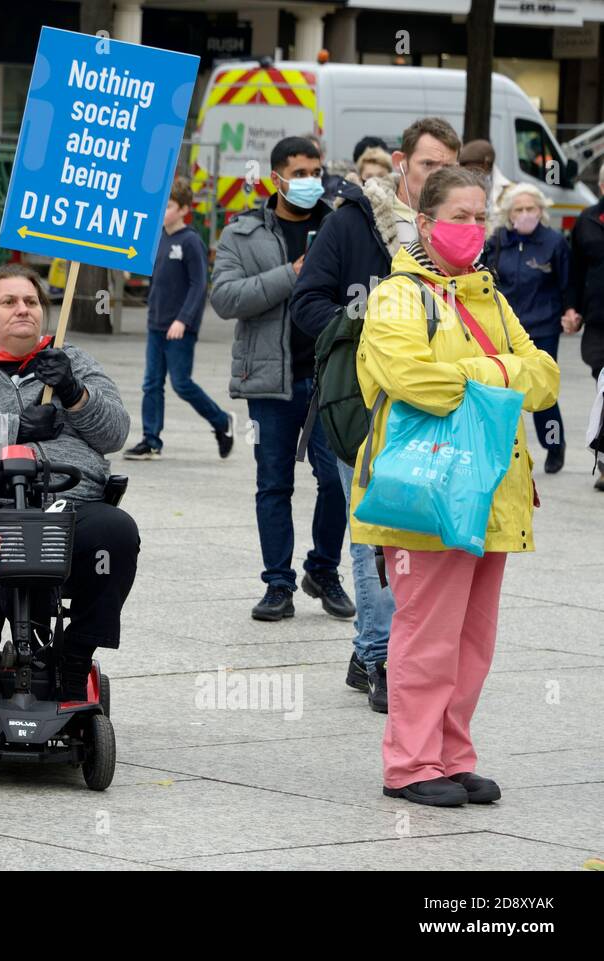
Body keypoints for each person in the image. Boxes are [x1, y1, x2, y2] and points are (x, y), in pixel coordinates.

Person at [352, 165, 559, 806]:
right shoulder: (396, 295)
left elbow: (547, 378)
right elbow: (407, 377)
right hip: (425, 490)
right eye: (460, 216)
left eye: (480, 217)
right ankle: (411, 764)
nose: (473, 228)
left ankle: (451, 754)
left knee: (472, 639)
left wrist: (477, 373)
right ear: (426, 222)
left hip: (491, 491)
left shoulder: (489, 296)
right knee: (427, 634)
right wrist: (502, 372)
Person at [291, 116, 461, 711]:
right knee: (373, 537)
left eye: (447, 166)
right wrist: (369, 334)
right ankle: (385, 659)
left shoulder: (453, 238)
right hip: (358, 406)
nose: (437, 175)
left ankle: (369, 650)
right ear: (401, 163)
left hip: (430, 406)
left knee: (418, 534)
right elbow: (306, 302)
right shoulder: (349, 222)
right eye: (427, 164)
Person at [0, 264, 139, 702]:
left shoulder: (72, 359)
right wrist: (14, 427)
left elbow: (115, 433)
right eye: (9, 302)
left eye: (31, 301)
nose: (23, 309)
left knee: (116, 533)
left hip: (69, 505)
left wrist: (73, 392)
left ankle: (74, 659)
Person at [210, 136, 354, 624]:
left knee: (335, 480)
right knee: (274, 484)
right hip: (272, 382)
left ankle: (324, 570)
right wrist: (293, 273)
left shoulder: (340, 226)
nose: (311, 181)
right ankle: (277, 585)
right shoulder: (244, 232)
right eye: (300, 173)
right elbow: (226, 298)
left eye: (317, 171)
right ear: (277, 179)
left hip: (330, 379)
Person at [125, 178, 233, 460]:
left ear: (184, 209)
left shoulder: (190, 242)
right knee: (151, 383)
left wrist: (183, 320)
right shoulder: (159, 238)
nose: (163, 210)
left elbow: (199, 285)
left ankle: (221, 421)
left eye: (169, 205)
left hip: (179, 328)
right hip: (156, 323)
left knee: (182, 383)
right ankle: (151, 440)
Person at [483, 183, 574, 474]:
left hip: (543, 326)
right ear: (509, 213)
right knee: (504, 390)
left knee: (542, 391)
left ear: (541, 210)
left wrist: (570, 312)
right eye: (518, 209)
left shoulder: (553, 242)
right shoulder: (497, 241)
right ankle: (503, 451)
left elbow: (567, 283)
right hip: (505, 328)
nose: (525, 214)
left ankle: (554, 446)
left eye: (530, 208)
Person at [567, 165, 604, 492]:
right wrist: (572, 308)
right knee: (603, 387)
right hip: (598, 321)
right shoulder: (588, 221)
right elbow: (575, 270)